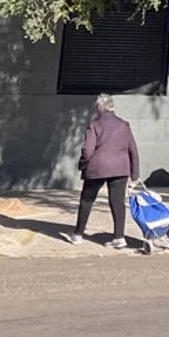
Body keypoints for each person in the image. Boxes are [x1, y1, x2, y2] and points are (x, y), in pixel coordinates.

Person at [69, 95, 139, 249]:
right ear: (112, 107)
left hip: (97, 168)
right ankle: (119, 237)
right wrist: (135, 175)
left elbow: (87, 150)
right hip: (120, 169)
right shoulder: (124, 125)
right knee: (118, 202)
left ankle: (78, 234)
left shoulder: (95, 124)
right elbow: (133, 150)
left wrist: (82, 164)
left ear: (100, 108)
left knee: (87, 200)